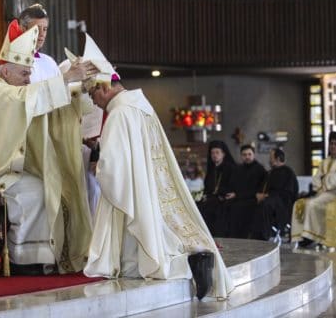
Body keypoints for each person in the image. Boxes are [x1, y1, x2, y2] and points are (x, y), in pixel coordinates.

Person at [82, 37, 234, 300]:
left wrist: (97, 167)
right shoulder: (142, 107)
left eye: (92, 93)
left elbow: (114, 170)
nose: (93, 102)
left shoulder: (118, 114)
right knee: (161, 235)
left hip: (136, 192)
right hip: (152, 185)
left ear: (104, 86)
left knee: (138, 260)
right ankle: (194, 257)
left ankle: (186, 264)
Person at [0, 21, 95, 275]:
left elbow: (40, 108)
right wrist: (64, 78)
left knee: (50, 183)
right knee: (38, 189)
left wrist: (76, 89)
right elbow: (23, 100)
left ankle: (41, 256)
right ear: (6, 71)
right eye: (24, 73)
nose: (29, 78)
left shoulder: (10, 89)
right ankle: (23, 258)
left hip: (3, 167)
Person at [292, 131, 336, 248]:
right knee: (299, 203)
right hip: (322, 193)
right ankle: (302, 236)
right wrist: (323, 181)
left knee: (312, 204)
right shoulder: (324, 162)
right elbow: (317, 178)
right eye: (331, 143)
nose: (333, 146)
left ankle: (312, 236)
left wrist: (325, 179)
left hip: (335, 194)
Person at [250, 148, 298, 241]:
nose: (269, 160)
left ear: (278, 159)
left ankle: (264, 236)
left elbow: (287, 193)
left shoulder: (288, 172)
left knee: (265, 205)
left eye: (271, 157)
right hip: (270, 200)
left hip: (282, 205)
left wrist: (267, 196)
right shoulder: (270, 172)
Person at [220, 144, 267, 238]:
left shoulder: (260, 170)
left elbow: (258, 190)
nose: (247, 157)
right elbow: (232, 185)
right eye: (244, 155)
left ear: (254, 155)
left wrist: (237, 195)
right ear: (241, 156)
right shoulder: (238, 169)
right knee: (223, 206)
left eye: (249, 154)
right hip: (238, 198)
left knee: (237, 209)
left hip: (252, 199)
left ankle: (242, 237)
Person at [197, 140, 236, 236]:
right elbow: (207, 187)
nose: (214, 155)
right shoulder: (211, 169)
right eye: (212, 153)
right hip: (211, 199)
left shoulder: (231, 168)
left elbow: (235, 186)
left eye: (217, 152)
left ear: (223, 154)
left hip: (225, 199)